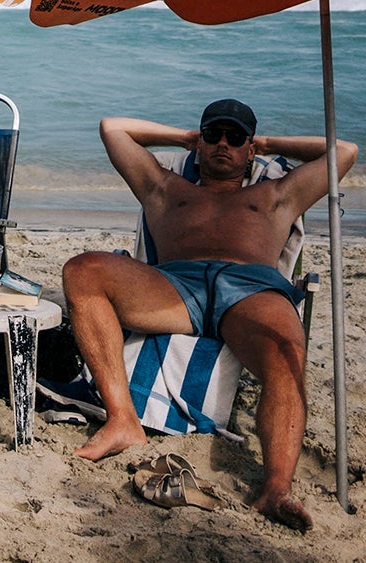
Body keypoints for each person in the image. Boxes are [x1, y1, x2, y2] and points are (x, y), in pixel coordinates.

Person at [64, 101, 357, 532]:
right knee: (82, 270)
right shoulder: (164, 188)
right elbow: (113, 128)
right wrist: (184, 138)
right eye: (213, 135)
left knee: (285, 351)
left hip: (250, 290)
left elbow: (344, 151)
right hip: (174, 287)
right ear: (199, 143)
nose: (223, 144)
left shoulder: (276, 196)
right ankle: (123, 419)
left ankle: (276, 488)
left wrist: (267, 143)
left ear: (250, 150)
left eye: (235, 138)